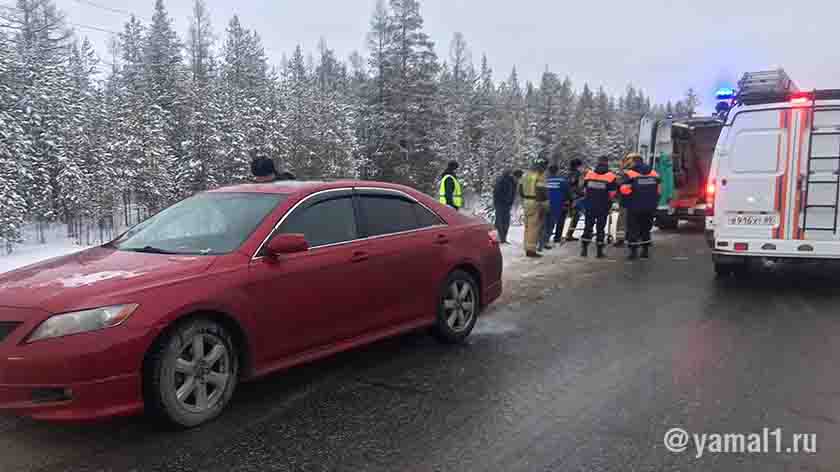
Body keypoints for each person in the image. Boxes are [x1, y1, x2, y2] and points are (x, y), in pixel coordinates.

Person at [620, 154, 661, 259]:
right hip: (649, 206)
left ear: (634, 162)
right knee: (646, 228)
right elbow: (659, 190)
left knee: (633, 228)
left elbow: (624, 190)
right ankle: (645, 251)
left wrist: (632, 188)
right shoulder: (654, 173)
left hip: (634, 206)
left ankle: (633, 252)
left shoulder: (629, 174)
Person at [580, 156, 618, 258]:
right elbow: (612, 194)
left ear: (598, 163)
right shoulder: (611, 176)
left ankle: (584, 250)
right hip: (603, 206)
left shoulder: (589, 175)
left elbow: (584, 190)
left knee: (588, 227)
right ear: (607, 163)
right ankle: (599, 252)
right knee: (600, 228)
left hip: (589, 205)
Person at [520, 157, 549, 258]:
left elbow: (520, 190)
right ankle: (531, 250)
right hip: (536, 202)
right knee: (534, 227)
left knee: (527, 226)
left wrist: (525, 199)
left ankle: (526, 246)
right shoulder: (540, 176)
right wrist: (545, 205)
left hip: (526, 202)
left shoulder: (525, 175)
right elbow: (541, 192)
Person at [540, 164, 570, 250]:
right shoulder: (562, 181)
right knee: (550, 224)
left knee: (543, 223)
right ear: (557, 171)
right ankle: (545, 241)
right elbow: (567, 193)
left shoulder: (544, 180)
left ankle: (541, 240)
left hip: (544, 204)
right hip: (556, 205)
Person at [613, 153, 637, 247]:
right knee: (631, 221)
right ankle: (632, 238)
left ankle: (621, 240)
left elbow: (618, 184)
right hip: (634, 200)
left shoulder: (624, 173)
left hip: (625, 200)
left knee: (622, 221)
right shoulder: (638, 172)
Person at [493, 169, 523, 244]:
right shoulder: (504, 180)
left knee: (505, 222)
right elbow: (497, 192)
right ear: (515, 176)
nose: (518, 180)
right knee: (499, 222)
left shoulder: (513, 182)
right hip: (500, 204)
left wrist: (510, 202)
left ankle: (503, 239)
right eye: (518, 178)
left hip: (507, 205)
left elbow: (512, 194)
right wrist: (503, 201)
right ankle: (496, 239)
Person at [564, 158, 586, 241]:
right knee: (576, 216)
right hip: (575, 198)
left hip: (568, 197)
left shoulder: (568, 173)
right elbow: (575, 186)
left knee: (574, 216)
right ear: (578, 166)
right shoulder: (577, 174)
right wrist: (581, 193)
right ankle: (569, 234)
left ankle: (568, 234)